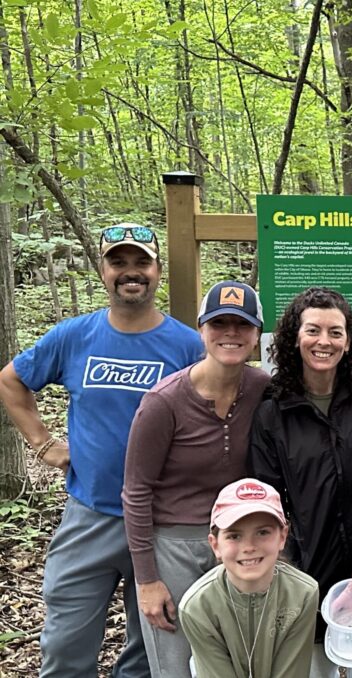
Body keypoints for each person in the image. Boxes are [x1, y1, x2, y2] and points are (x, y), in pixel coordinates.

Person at [0, 224, 203, 677]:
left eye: (141, 263)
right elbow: (11, 380)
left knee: (153, 649)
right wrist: (44, 443)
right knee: (66, 644)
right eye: (118, 262)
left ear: (158, 270)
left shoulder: (188, 346)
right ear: (102, 270)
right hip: (91, 513)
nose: (130, 273)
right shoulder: (73, 337)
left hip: (161, 520)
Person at [122, 280, 270, 676]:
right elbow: (136, 492)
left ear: (256, 335)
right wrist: (147, 580)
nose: (231, 334)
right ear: (202, 330)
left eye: (242, 325)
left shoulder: (264, 390)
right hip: (174, 545)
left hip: (239, 540)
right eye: (219, 324)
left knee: (238, 661)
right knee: (176, 663)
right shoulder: (163, 402)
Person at [247, 287, 352, 676]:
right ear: (295, 336)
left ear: (349, 340)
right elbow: (266, 498)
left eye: (335, 332)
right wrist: (286, 566)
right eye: (313, 330)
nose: (324, 341)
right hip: (304, 569)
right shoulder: (274, 411)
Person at [178, 478, 318, 678]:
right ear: (215, 544)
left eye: (262, 532)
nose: (249, 547)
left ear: (282, 537)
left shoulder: (303, 593)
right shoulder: (197, 606)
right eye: (234, 536)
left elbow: (292, 672)